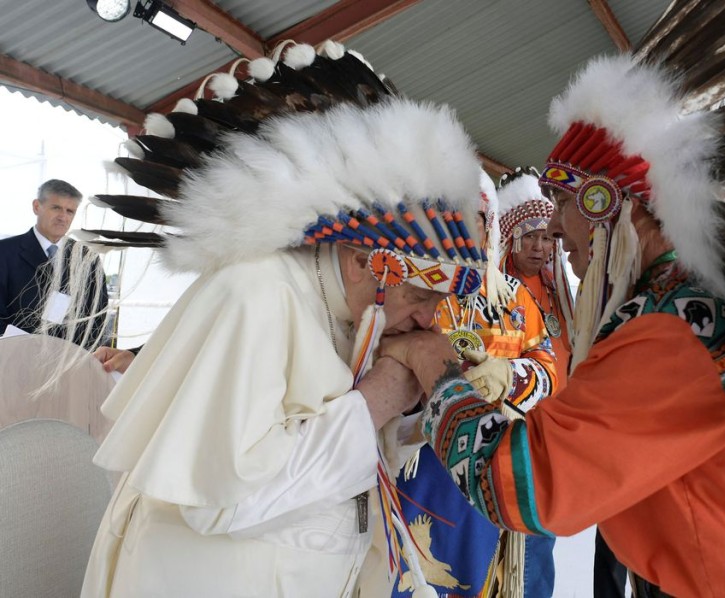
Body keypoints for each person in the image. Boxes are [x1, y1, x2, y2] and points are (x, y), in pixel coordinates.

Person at [374, 2, 725, 594]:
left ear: (609, 205)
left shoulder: (673, 326)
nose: (557, 233)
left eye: (564, 204)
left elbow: (522, 484)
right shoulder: (701, 297)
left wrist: (437, 366)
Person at [77, 41, 491, 598]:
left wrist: (414, 401)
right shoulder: (256, 294)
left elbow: (344, 449)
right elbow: (221, 501)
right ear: (362, 260)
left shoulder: (354, 309)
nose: (428, 320)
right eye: (420, 295)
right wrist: (381, 395)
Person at [392, 175, 558, 597]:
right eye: (453, 216)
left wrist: (510, 376)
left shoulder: (516, 299)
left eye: (477, 218)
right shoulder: (411, 288)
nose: (464, 228)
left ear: (492, 226)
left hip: (492, 458)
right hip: (419, 460)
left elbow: (549, 370)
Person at [0, 179, 108, 346]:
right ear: (37, 206)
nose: (63, 217)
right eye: (56, 208)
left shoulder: (87, 258)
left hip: (70, 356)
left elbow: (97, 316)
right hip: (15, 354)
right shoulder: (4, 252)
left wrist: (82, 354)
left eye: (70, 211)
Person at [496, 167, 574, 387]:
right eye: (529, 236)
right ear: (512, 240)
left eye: (547, 239)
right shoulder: (499, 291)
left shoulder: (557, 291)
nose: (538, 247)